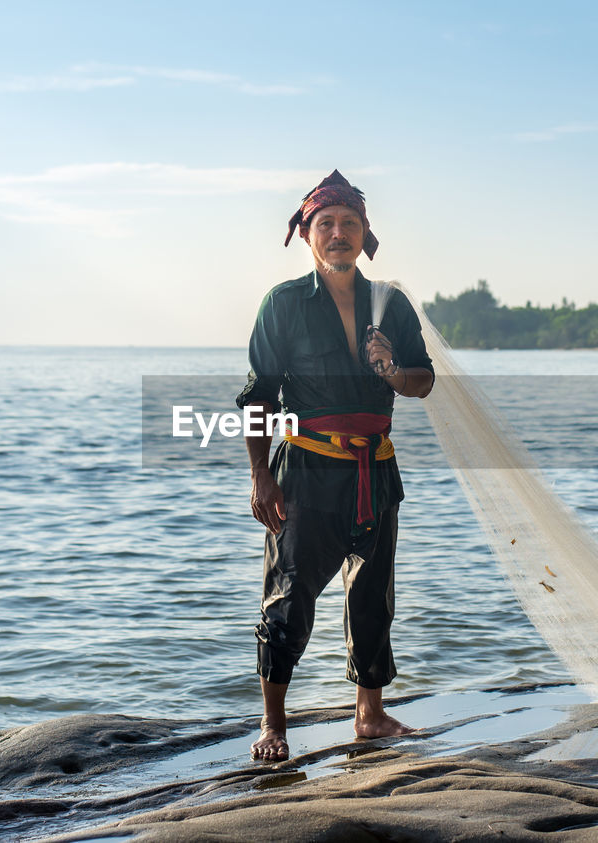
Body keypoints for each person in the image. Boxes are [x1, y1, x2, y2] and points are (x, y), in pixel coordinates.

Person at [235, 170, 434, 762]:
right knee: (290, 595)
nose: (338, 233)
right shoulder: (285, 303)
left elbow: (422, 381)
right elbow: (258, 397)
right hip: (306, 473)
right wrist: (259, 475)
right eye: (327, 224)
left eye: (349, 223)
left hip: (377, 470)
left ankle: (369, 715)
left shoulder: (390, 304)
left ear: (366, 233)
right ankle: (274, 724)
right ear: (307, 234)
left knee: (373, 596)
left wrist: (392, 372)